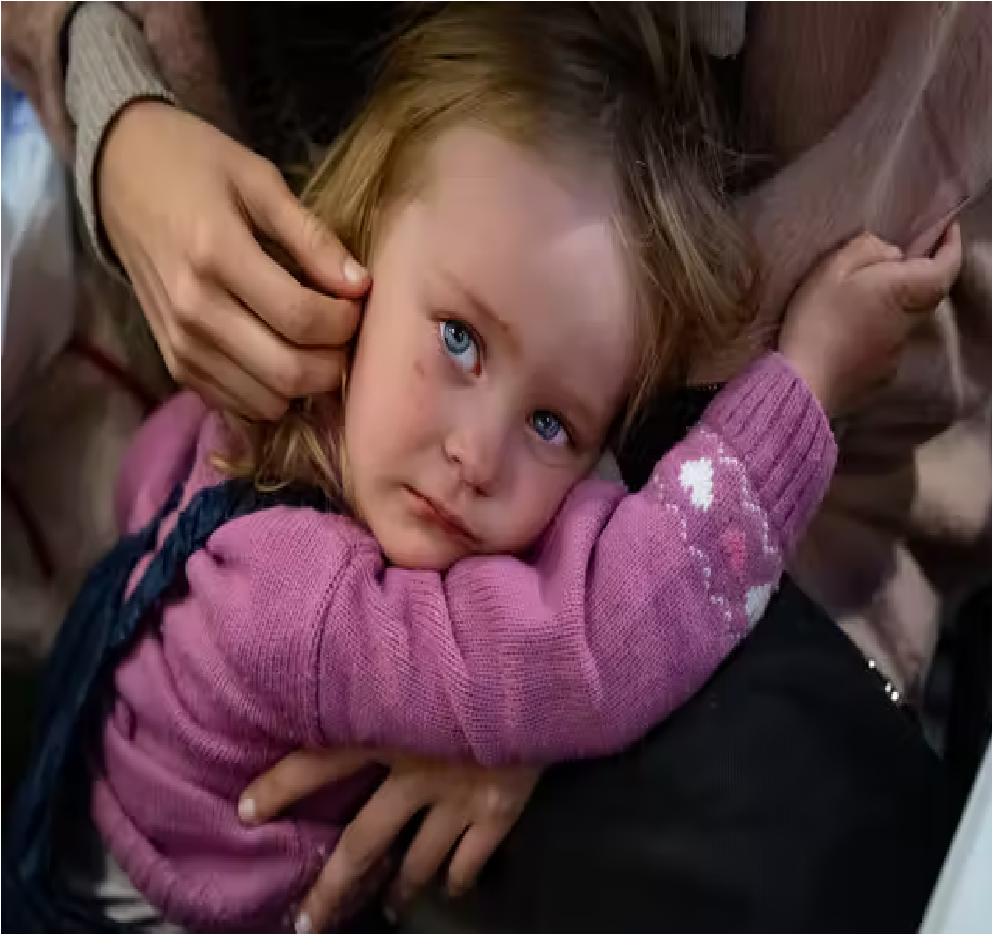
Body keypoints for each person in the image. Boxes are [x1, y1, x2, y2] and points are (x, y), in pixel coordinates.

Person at [5, 5, 965, 933]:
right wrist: (802, 385)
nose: (475, 455)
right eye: (459, 340)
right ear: (356, 251)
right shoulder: (300, 610)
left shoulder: (236, 416)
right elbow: (598, 640)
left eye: (551, 421)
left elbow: (147, 478)